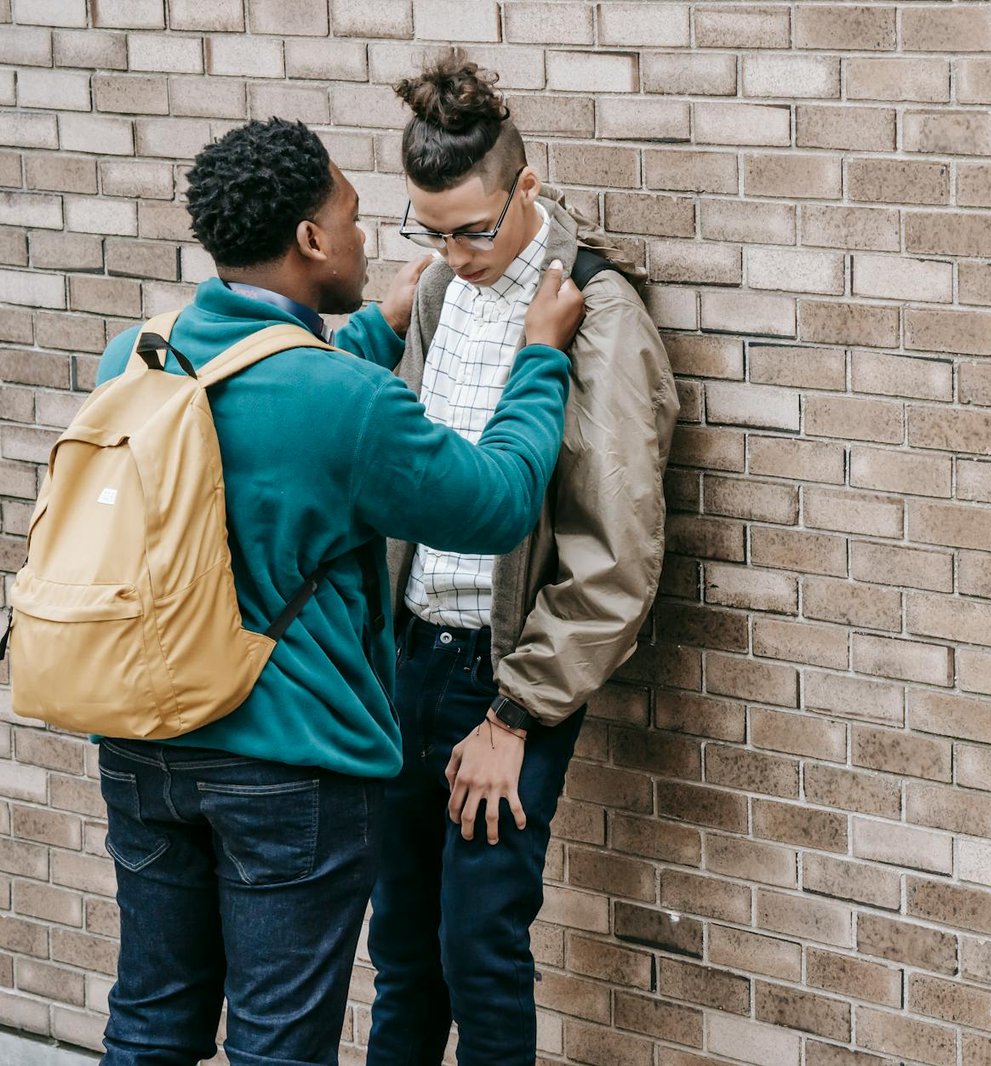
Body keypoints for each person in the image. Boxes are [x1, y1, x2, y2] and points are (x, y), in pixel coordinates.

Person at [91, 117, 582, 1066]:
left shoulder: (140, 355)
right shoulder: (349, 405)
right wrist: (540, 358)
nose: (369, 238)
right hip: (285, 770)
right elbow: (498, 503)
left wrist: (373, 329)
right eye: (354, 218)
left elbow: (259, 393)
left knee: (150, 1022)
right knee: (278, 1045)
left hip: (142, 751)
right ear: (312, 240)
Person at [365, 53, 677, 1066]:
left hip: (505, 674)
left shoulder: (596, 313)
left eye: (473, 229)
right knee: (402, 950)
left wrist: (512, 715)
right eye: (432, 231)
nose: (454, 254)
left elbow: (616, 558)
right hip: (408, 656)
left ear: (526, 188)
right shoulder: (439, 294)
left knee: (479, 948)